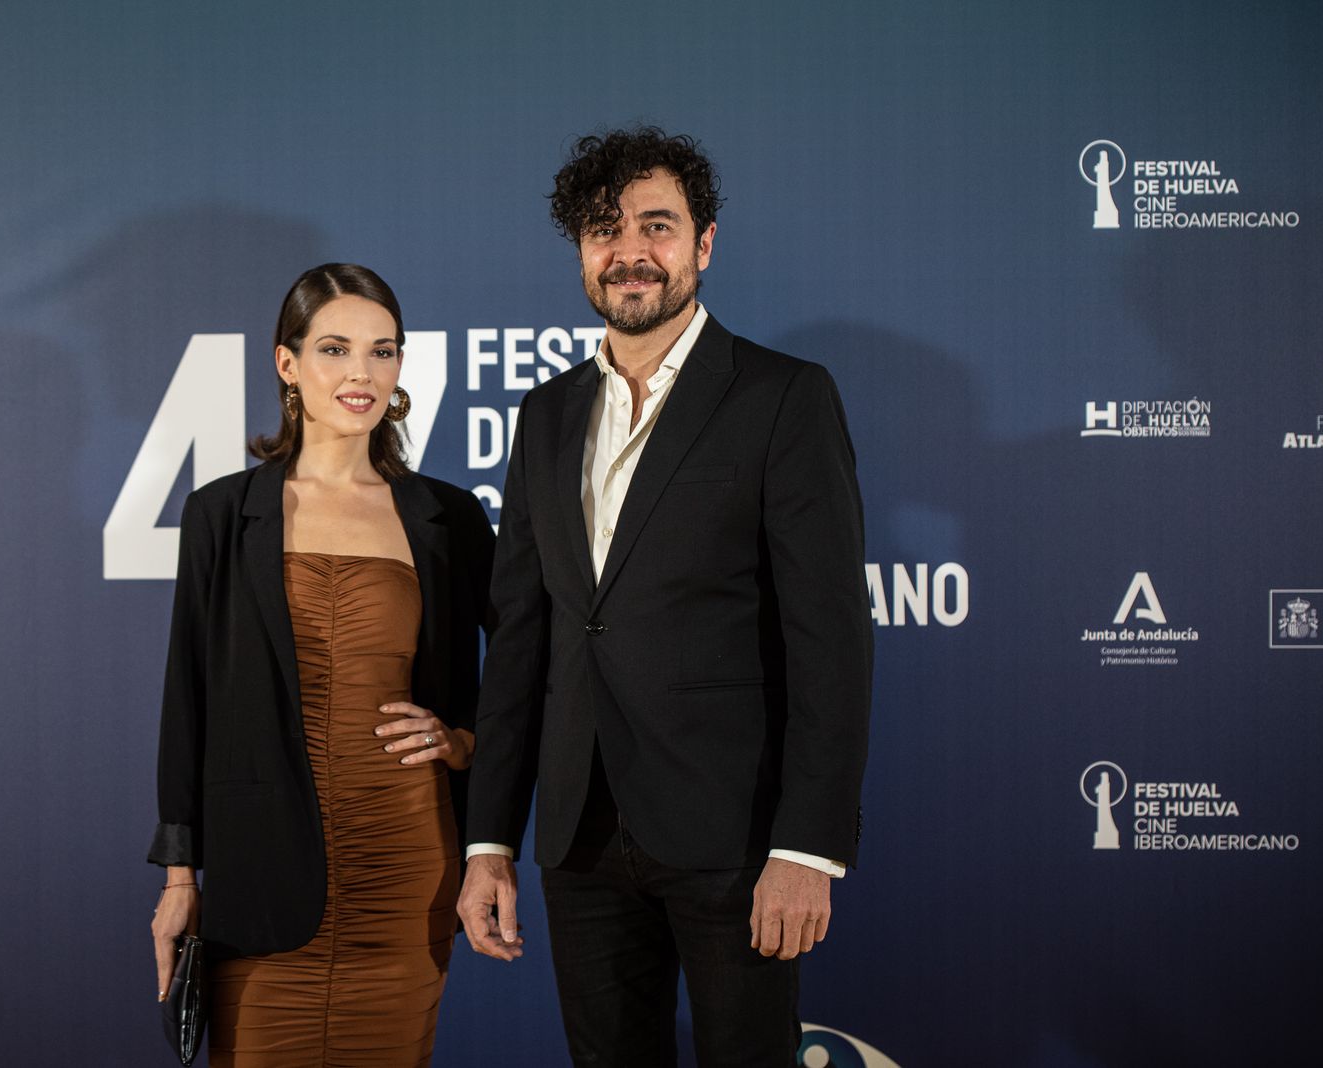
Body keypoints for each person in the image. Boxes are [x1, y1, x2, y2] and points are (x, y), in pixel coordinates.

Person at [457, 128, 874, 1066]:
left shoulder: (782, 397)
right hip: (579, 837)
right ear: (580, 251)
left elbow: (831, 641)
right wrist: (489, 839)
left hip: (735, 838)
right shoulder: (547, 414)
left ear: (704, 244)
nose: (630, 251)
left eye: (658, 225)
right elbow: (523, 637)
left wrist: (807, 848)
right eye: (605, 230)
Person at [148, 263, 495, 1067]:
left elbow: (526, 661)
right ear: (286, 362)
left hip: (406, 866)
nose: (360, 374)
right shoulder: (222, 516)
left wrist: (463, 742)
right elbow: (186, 699)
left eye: (383, 352)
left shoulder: (446, 516)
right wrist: (178, 875)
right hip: (260, 877)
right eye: (335, 349)